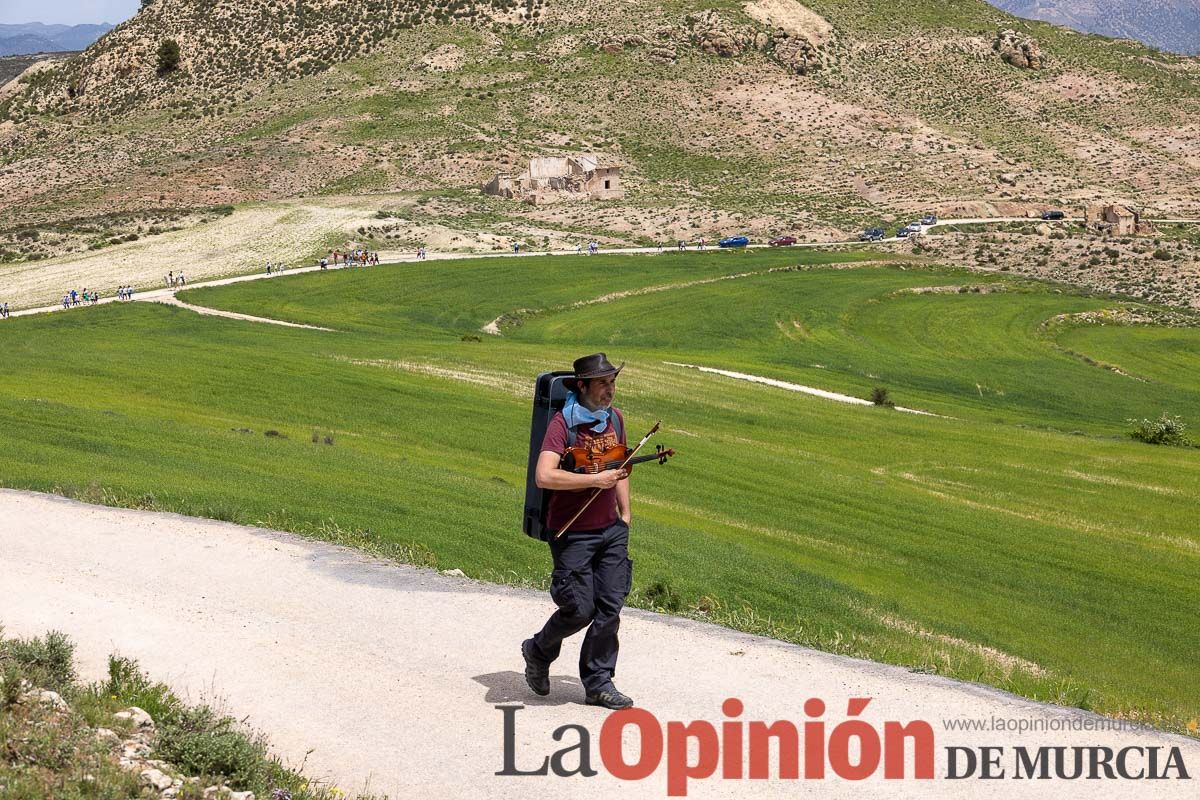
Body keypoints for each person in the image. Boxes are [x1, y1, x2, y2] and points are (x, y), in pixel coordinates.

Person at [523, 353, 635, 710]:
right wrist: (593, 478)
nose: (610, 391)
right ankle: (538, 651)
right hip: (573, 532)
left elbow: (620, 468)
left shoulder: (614, 419)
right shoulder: (563, 425)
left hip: (611, 529)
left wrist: (626, 513)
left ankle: (598, 682)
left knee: (610, 605)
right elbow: (544, 475)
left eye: (612, 383)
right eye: (603, 383)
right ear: (582, 386)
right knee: (579, 608)